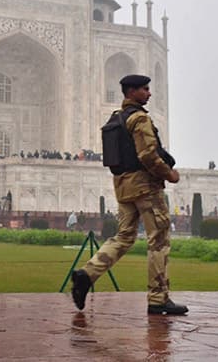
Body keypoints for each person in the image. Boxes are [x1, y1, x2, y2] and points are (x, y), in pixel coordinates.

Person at [71, 74, 186, 316]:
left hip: (123, 185)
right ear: (131, 92)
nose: (149, 93)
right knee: (159, 239)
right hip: (145, 187)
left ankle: (86, 275)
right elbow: (148, 155)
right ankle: (158, 298)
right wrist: (169, 174)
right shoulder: (139, 118)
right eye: (145, 89)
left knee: (123, 237)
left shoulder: (116, 118)